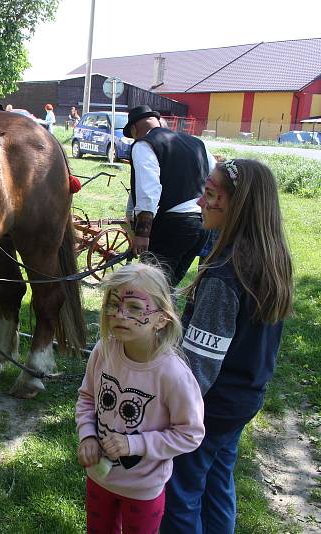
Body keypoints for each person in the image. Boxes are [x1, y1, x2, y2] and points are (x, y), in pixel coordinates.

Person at [161, 159, 294, 533]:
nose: (200, 203)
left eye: (210, 194)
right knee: (217, 482)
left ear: (237, 205)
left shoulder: (225, 273)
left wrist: (172, 410)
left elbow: (199, 367)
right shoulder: (270, 258)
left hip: (210, 407)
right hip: (244, 397)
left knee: (180, 493)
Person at [76, 263, 205, 534]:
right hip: (98, 478)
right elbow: (87, 397)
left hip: (143, 489)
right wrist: (87, 435)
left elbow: (190, 433)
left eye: (134, 307)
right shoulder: (104, 351)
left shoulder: (173, 374)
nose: (120, 314)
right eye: (113, 304)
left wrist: (135, 444)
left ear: (161, 318)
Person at [124, 104, 216, 287]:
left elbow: (148, 191)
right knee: (167, 287)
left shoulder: (144, 144)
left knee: (151, 290)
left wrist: (142, 233)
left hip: (173, 227)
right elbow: (215, 176)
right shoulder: (196, 143)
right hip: (201, 226)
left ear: (134, 129)